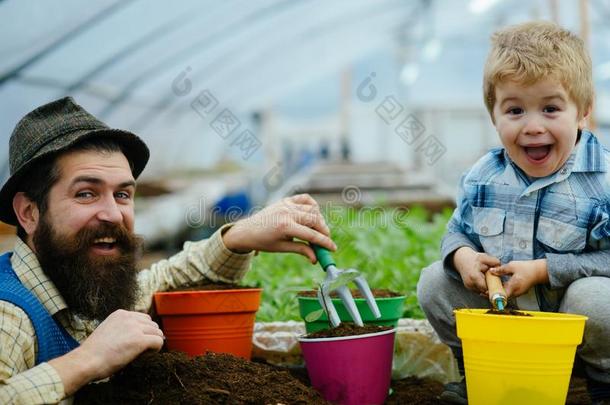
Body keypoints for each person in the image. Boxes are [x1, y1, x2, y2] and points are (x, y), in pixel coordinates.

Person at [0, 97, 337, 404]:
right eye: (86, 194)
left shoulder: (80, 285)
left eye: (122, 194)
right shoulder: (9, 316)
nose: (113, 214)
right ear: (29, 212)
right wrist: (89, 359)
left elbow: (162, 279)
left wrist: (237, 237)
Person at [417, 21, 610, 404]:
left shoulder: (601, 180)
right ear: (494, 116)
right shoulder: (483, 177)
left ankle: (600, 376)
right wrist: (464, 256)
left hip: (570, 317)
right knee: (435, 282)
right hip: (504, 310)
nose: (533, 126)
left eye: (551, 108)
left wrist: (543, 271)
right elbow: (458, 231)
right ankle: (476, 369)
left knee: (596, 300)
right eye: (515, 110)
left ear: (583, 112)